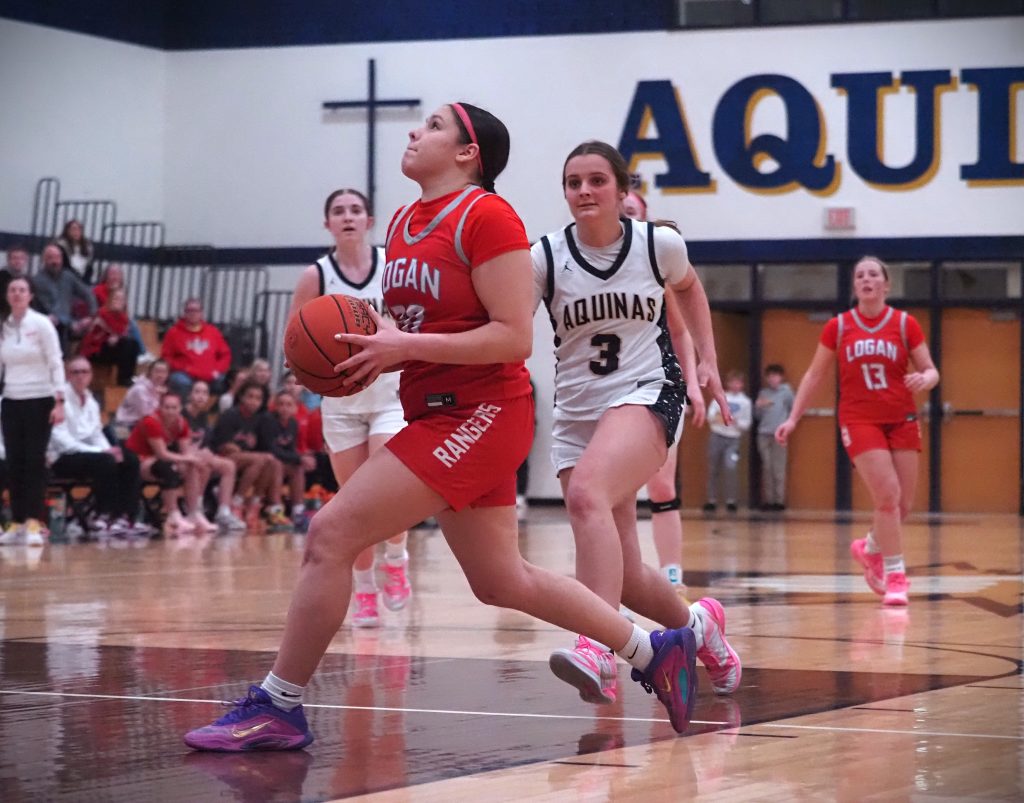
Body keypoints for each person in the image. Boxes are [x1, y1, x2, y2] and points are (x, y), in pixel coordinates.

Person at [184, 102, 703, 752]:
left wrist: (403, 346)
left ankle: (278, 704)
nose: (414, 132)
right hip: (436, 407)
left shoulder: (488, 216)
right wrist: (363, 351)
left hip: (481, 411)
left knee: (329, 533)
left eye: (432, 126)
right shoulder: (405, 223)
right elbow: (415, 328)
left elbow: (513, 338)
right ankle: (655, 651)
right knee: (501, 580)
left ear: (467, 152)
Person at [531, 141, 740, 707]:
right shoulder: (544, 257)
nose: (584, 191)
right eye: (573, 182)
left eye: (597, 180)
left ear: (623, 191)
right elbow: (507, 324)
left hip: (647, 392)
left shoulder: (657, 245)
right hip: (576, 413)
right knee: (621, 573)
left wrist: (707, 362)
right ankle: (702, 628)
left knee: (587, 495)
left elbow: (690, 288)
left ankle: (598, 647)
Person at [775, 256, 939, 606]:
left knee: (902, 506)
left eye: (873, 274)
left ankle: (870, 547)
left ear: (886, 284)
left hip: (902, 417)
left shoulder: (905, 324)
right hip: (859, 419)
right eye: (860, 275)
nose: (866, 279)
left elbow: (931, 370)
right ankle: (895, 576)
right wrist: (793, 418)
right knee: (887, 495)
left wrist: (925, 378)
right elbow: (814, 375)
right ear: (855, 285)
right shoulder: (838, 327)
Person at [285, 187, 412, 628]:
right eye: (338, 211)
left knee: (386, 494)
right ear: (328, 224)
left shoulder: (392, 268)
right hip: (341, 404)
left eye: (356, 210)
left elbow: (412, 326)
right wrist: (304, 369)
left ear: (369, 220)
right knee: (354, 503)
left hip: (390, 397)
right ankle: (365, 590)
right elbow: (294, 339)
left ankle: (397, 558)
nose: (348, 217)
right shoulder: (315, 277)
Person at [621, 189, 707, 593]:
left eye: (632, 210)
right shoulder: (581, 260)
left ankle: (671, 574)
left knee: (661, 485)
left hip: (656, 385)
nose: (625, 215)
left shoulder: (656, 266)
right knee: (613, 491)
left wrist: (693, 386)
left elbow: (681, 331)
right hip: (603, 388)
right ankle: (621, 575)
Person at [47, 356, 146, 537]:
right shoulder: (59, 400)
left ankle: (125, 517)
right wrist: (101, 452)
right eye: (76, 372)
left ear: (91, 375)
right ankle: (102, 515)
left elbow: (96, 434)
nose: (80, 376)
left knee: (129, 459)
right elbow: (61, 440)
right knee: (105, 461)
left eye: (84, 372)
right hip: (62, 458)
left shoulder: (91, 400)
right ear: (68, 375)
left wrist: (110, 450)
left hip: (90, 455)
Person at [0, 277, 65, 546]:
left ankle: (34, 523)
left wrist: (59, 401)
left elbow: (55, 360)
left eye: (22, 290)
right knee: (14, 462)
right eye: (12, 290)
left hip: (39, 399)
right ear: (7, 295)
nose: (17, 294)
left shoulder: (41, 324)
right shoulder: (3, 327)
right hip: (11, 400)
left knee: (34, 461)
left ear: (30, 295)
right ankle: (16, 523)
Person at [124, 392, 216, 535]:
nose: (170, 411)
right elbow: (162, 453)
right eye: (167, 407)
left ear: (180, 408)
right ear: (160, 408)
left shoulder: (181, 423)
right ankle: (173, 515)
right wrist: (187, 459)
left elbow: (185, 453)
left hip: (157, 460)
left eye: (174, 408)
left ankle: (194, 512)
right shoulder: (151, 421)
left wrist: (193, 460)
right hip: (136, 463)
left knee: (191, 466)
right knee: (168, 468)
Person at [208, 380, 286, 530]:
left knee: (273, 462)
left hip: (248, 459)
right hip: (223, 458)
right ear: (241, 397)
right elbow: (223, 446)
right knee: (261, 459)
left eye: (258, 398)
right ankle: (236, 502)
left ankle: (256, 504)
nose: (254, 401)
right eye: (250, 396)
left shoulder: (260, 418)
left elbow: (263, 446)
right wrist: (239, 450)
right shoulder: (230, 415)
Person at [182, 380, 247, 531]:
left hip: (199, 455)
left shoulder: (203, 416)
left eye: (205, 393)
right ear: (190, 395)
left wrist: (207, 451)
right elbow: (178, 445)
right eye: (197, 392)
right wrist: (199, 453)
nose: (201, 396)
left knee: (228, 465)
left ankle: (223, 512)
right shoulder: (182, 415)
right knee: (204, 464)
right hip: (183, 457)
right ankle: (195, 508)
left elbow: (206, 441)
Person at [260, 391, 316, 528]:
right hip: (263, 462)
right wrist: (300, 458)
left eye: (288, 405)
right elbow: (271, 449)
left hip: (278, 462)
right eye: (281, 404)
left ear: (295, 408)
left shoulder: (293, 423)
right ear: (275, 406)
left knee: (297, 468)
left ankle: (298, 511)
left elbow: (290, 450)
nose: (284, 408)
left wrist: (304, 459)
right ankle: (275, 510)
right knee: (277, 464)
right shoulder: (267, 420)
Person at [31, 242, 96, 352]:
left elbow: (88, 294)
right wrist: (44, 318)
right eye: (50, 258)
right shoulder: (36, 281)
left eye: (57, 257)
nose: (55, 261)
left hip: (68, 325)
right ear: (44, 260)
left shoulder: (68, 277)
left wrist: (91, 316)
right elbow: (32, 307)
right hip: (45, 325)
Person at [161, 298, 232, 398]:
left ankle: (213, 408)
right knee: (181, 382)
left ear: (201, 313)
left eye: (196, 310)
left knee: (223, 381)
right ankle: (185, 407)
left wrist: (217, 370)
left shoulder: (213, 331)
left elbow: (225, 355)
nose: (193, 313)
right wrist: (184, 368)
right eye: (190, 310)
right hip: (185, 374)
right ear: (184, 313)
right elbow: (166, 357)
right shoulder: (173, 332)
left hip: (210, 374)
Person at [703, 370, 752, 513]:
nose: (735, 385)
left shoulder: (745, 402)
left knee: (731, 467)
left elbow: (746, 423)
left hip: (733, 439)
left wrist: (736, 422)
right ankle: (711, 500)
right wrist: (718, 418)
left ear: (742, 385)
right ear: (728, 383)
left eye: (738, 382)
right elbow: (710, 416)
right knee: (713, 468)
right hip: (717, 436)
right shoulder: (719, 397)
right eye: (733, 382)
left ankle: (731, 500)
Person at [78, 287, 141, 386]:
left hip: (112, 349)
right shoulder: (102, 313)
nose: (118, 302)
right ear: (110, 300)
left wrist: (117, 338)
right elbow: (94, 337)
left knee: (133, 344)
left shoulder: (123, 318)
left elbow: (119, 334)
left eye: (121, 299)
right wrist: (113, 337)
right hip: (95, 350)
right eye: (116, 298)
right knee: (127, 344)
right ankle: (124, 380)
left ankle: (128, 377)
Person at [754, 364, 793, 511]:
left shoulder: (786, 392)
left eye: (775, 376)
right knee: (767, 467)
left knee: (779, 467)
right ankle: (768, 500)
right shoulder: (763, 393)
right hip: (764, 434)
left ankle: (779, 501)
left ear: (781, 377)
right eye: (770, 376)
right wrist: (758, 406)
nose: (772, 379)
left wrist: (786, 424)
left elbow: (793, 409)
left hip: (779, 434)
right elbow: (757, 416)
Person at [113, 359, 170, 442]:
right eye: (157, 371)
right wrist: (158, 394)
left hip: (141, 426)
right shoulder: (140, 390)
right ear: (150, 372)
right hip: (124, 427)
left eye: (164, 372)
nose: (160, 375)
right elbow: (147, 415)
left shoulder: (160, 389)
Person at [57, 219, 96, 283]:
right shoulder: (61, 246)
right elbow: (64, 266)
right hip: (66, 280)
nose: (76, 232)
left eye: (79, 229)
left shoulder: (88, 247)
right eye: (73, 229)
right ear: (67, 231)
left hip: (83, 280)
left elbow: (89, 267)